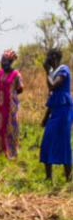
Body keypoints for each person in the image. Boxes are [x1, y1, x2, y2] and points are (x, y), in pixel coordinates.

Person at [40, 48, 72, 182]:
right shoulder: (53, 73)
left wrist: (47, 71)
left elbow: (52, 87)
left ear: (55, 57)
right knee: (47, 142)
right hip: (55, 111)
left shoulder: (64, 70)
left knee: (63, 142)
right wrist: (46, 117)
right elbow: (52, 96)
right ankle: (48, 178)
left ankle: (68, 178)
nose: (48, 60)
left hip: (65, 110)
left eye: (49, 57)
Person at [0, 49, 23, 159]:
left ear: (10, 62)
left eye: (5, 61)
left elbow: (20, 89)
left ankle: (11, 153)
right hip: (0, 106)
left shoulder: (16, 74)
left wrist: (11, 95)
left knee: (11, 128)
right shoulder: (0, 73)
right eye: (2, 60)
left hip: (11, 107)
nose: (2, 63)